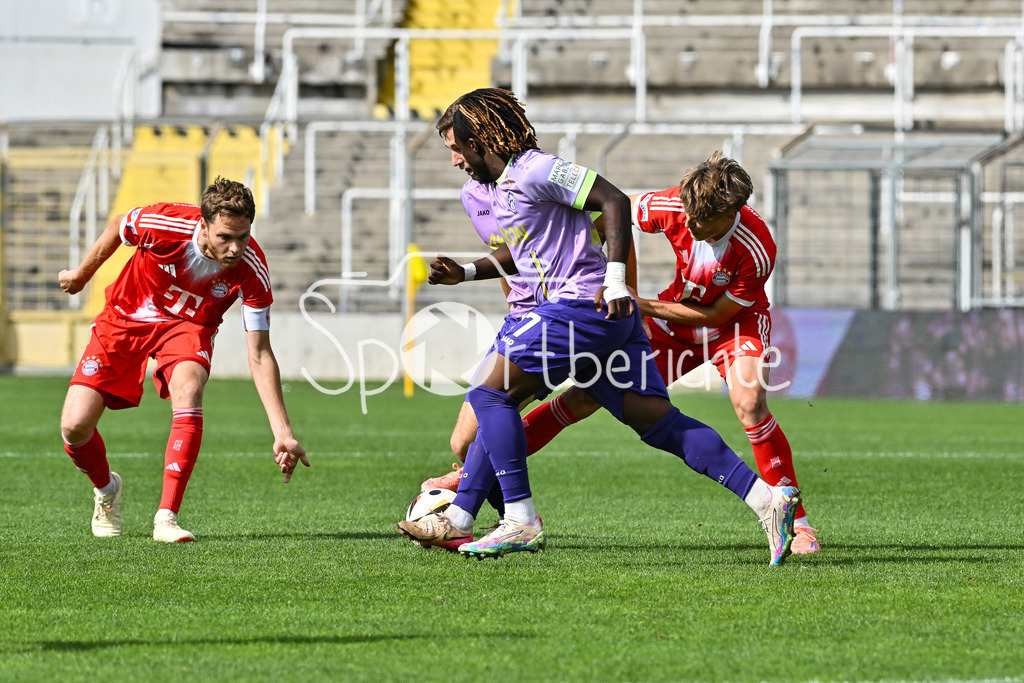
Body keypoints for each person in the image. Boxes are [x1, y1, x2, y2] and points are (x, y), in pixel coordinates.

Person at [396, 88, 800, 566]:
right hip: (597, 314)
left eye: (456, 148)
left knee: (491, 394)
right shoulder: (493, 191)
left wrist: (615, 283)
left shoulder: (537, 169)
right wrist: (465, 273)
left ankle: (507, 518)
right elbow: (524, 251)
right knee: (657, 422)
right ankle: (767, 500)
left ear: (478, 139)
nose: (454, 160)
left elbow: (613, 200)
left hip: (581, 304)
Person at [58, 177, 309, 543]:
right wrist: (81, 276)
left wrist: (283, 432)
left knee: (189, 388)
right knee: (74, 426)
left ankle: (167, 517)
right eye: (225, 237)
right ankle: (107, 489)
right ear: (203, 225)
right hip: (126, 317)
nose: (236, 248)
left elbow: (259, 353)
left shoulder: (252, 266)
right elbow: (119, 226)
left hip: (189, 327)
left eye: (243, 236)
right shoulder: (163, 223)